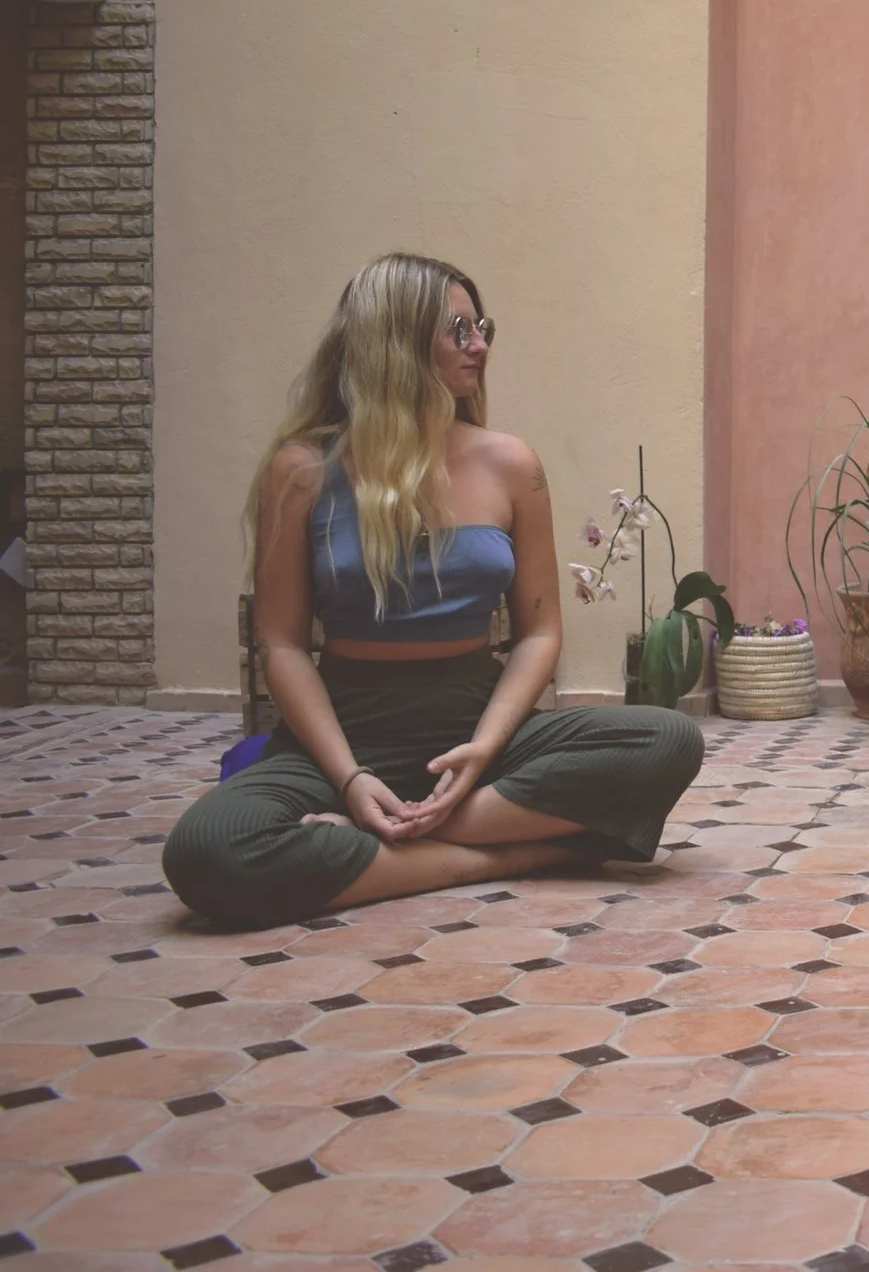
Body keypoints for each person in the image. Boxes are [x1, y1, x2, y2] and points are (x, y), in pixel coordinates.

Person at [163, 254, 703, 929]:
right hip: (343, 739)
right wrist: (352, 779)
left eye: (483, 328)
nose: (480, 345)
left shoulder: (509, 462)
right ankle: (510, 854)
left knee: (670, 738)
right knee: (205, 850)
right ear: (396, 342)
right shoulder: (302, 470)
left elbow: (539, 633)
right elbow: (282, 643)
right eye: (459, 329)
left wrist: (482, 748)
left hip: (479, 731)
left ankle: (386, 847)